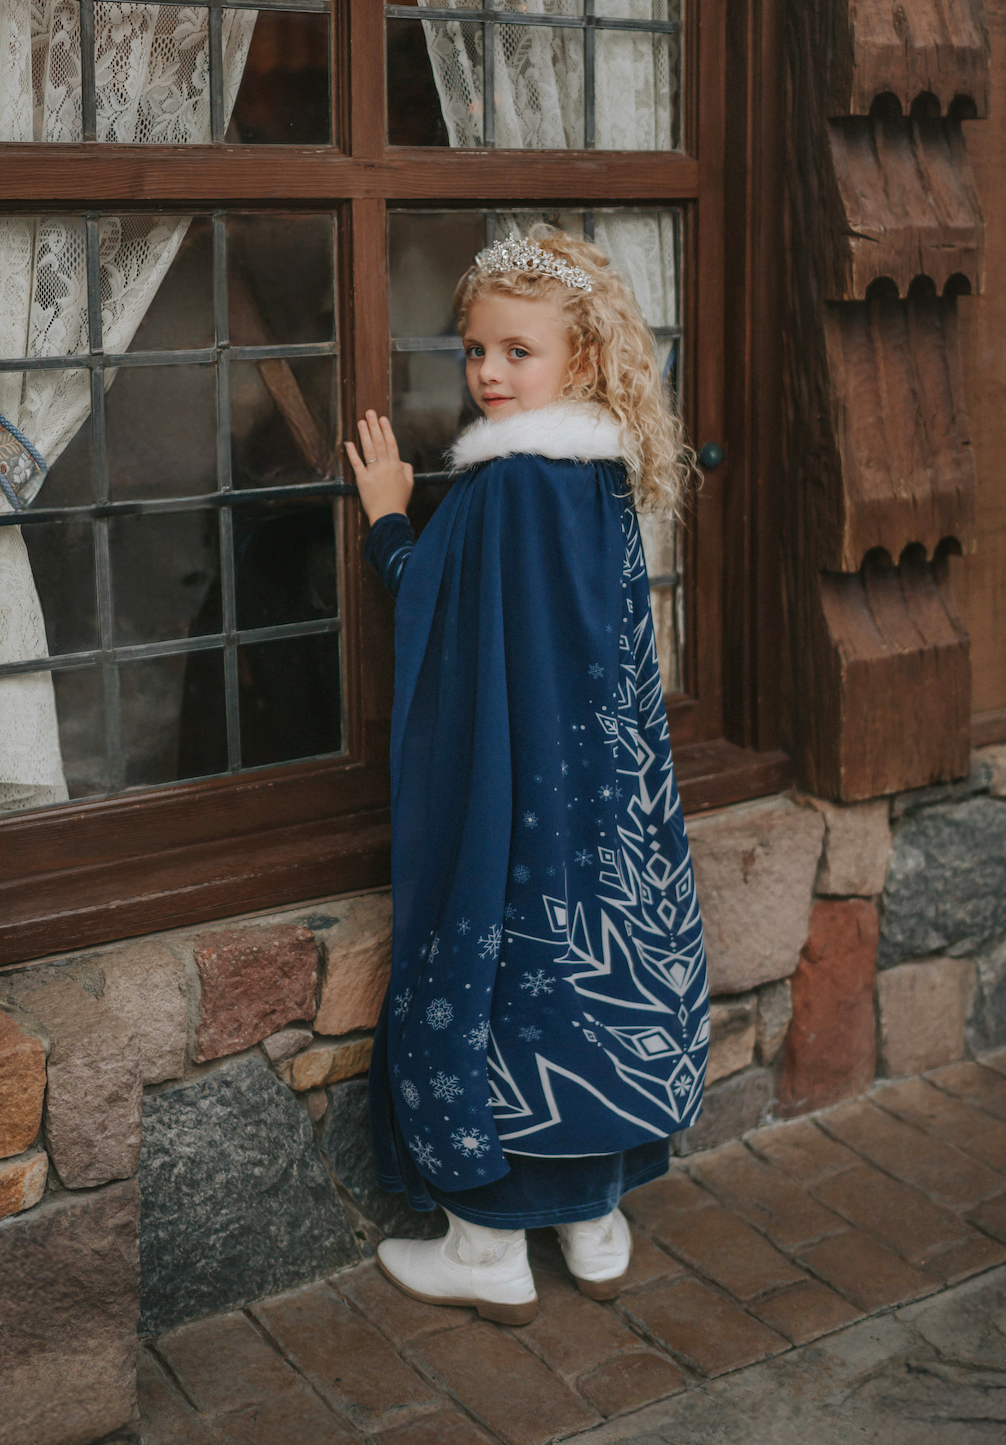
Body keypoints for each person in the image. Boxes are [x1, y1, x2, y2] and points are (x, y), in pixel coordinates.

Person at [344, 227, 710, 1326]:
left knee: (504, 977)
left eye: (518, 351)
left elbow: (438, 608)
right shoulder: (602, 475)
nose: (491, 373)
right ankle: (594, 1227)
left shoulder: (506, 486)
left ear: (583, 361)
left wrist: (386, 517)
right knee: (600, 982)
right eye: (473, 352)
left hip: (518, 791)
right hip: (602, 791)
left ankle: (487, 1245)